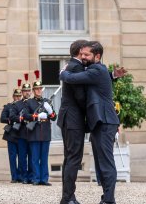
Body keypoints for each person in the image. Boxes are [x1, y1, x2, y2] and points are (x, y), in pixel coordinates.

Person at [60, 41, 120, 204]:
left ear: (97, 56)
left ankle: (108, 200)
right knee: (99, 161)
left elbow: (71, 78)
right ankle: (72, 198)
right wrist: (113, 76)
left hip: (105, 122)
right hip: (99, 122)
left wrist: (62, 73)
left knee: (105, 161)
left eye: (87, 54)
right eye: (82, 54)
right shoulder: (96, 69)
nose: (84, 57)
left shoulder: (96, 70)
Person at [57, 40, 87, 204]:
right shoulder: (76, 67)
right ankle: (68, 197)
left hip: (68, 117)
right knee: (74, 157)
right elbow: (80, 96)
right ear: (80, 50)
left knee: (69, 158)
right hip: (73, 119)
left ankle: (67, 196)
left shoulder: (69, 66)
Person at [23, 70, 57, 186]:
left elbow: (53, 117)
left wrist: (50, 110)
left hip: (45, 132)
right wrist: (36, 116)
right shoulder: (29, 102)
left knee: (44, 158)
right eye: (36, 89)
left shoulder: (47, 102)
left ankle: (44, 179)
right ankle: (36, 178)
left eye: (40, 89)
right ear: (33, 90)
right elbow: (25, 115)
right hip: (35, 133)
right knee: (35, 158)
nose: (38, 90)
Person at [9, 73, 33, 184]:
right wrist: (22, 118)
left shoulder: (34, 103)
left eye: (29, 90)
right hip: (22, 132)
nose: (27, 92)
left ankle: (32, 176)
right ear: (22, 92)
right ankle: (24, 176)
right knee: (23, 157)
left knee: (32, 156)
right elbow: (12, 116)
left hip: (33, 133)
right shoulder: (17, 104)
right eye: (25, 91)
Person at [0, 80, 22, 183]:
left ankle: (21, 176)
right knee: (12, 156)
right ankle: (14, 176)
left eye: (19, 96)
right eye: (16, 96)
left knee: (22, 156)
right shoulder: (8, 106)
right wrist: (11, 119)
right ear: (13, 96)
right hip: (11, 134)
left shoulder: (24, 105)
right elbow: (2, 118)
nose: (18, 98)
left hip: (21, 133)